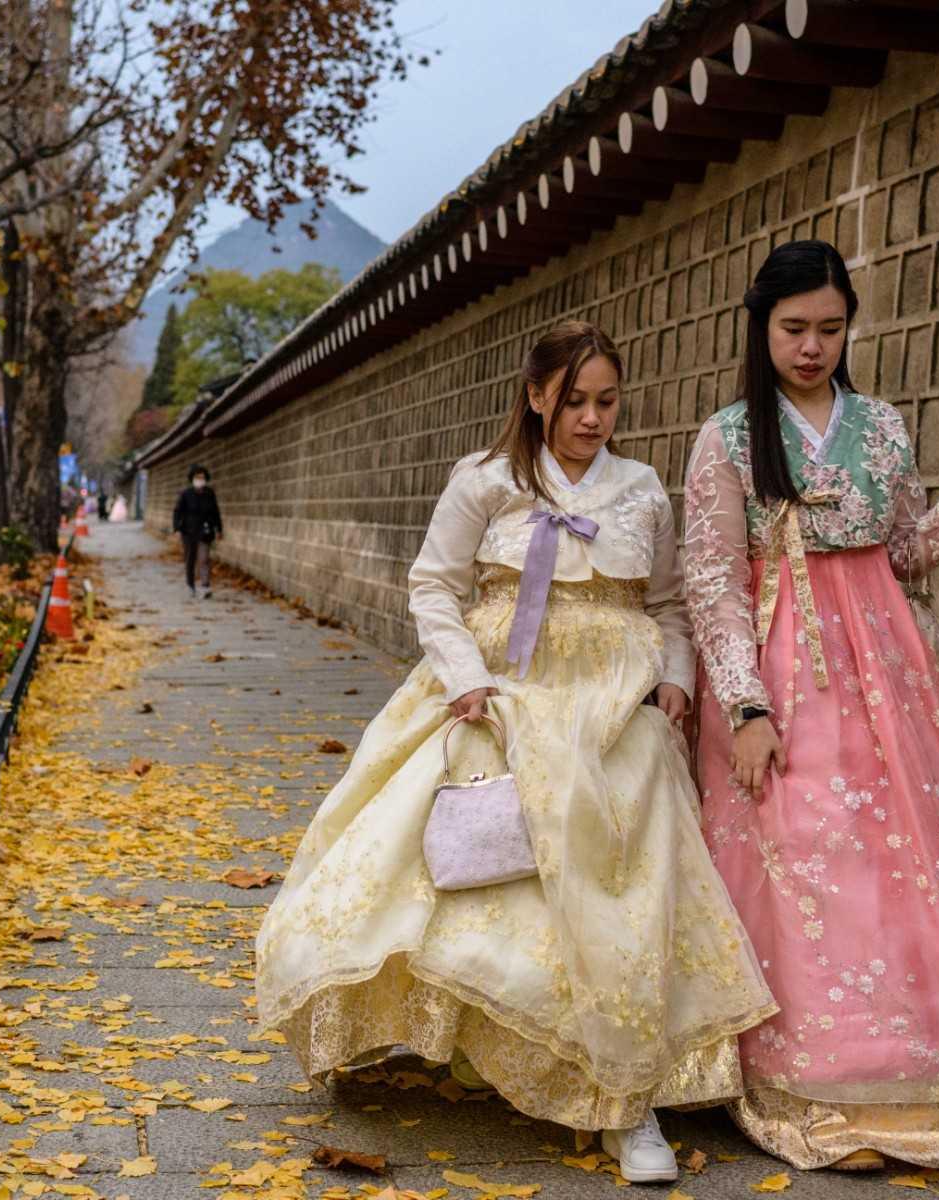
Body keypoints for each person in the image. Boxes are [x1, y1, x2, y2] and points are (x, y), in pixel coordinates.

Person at [255, 321, 775, 1185]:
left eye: (606, 401)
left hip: (611, 700)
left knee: (621, 875)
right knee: (469, 854)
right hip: (501, 686)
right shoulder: (485, 480)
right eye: (574, 400)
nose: (592, 417)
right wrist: (465, 679)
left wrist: (677, 678)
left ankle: (627, 1091)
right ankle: (481, 1034)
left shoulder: (642, 488)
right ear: (536, 396)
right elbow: (434, 585)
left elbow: (672, 602)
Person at [682, 241, 939, 1173]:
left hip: (885, 668)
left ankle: (922, 1067)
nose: (812, 347)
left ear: (850, 325)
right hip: (780, 668)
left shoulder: (884, 428)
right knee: (809, 857)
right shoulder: (731, 436)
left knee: (908, 858)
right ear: (761, 327)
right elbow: (710, 580)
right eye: (792, 329)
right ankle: (814, 1079)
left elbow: (896, 551)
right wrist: (743, 707)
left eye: (829, 327)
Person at [171, 465, 222, 598]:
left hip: (205, 531)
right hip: (189, 531)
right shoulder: (186, 494)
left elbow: (215, 512)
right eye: (197, 477)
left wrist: (219, 528)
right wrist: (176, 528)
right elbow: (177, 511)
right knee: (190, 558)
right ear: (192, 479)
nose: (200, 480)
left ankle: (205, 585)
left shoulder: (209, 493)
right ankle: (190, 585)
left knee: (204, 558)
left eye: (202, 477)